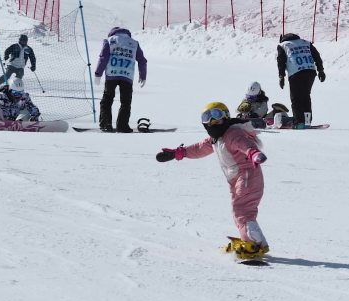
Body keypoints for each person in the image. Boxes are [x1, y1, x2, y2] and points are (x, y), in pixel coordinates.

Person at [156, 102, 270, 259]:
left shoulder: (232, 134)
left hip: (247, 175)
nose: (212, 122)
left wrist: (254, 154)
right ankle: (256, 242)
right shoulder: (217, 139)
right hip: (238, 178)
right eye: (207, 118)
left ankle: (253, 244)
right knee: (240, 211)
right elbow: (199, 149)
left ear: (225, 116)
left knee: (242, 211)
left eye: (216, 116)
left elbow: (245, 144)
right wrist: (178, 153)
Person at [94, 27, 147, 133]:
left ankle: (105, 124)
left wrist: (98, 73)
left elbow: (103, 58)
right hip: (127, 76)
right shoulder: (134, 43)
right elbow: (142, 61)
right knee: (126, 102)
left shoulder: (109, 41)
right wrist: (143, 76)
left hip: (111, 75)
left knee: (107, 99)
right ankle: (122, 126)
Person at [276, 33, 325, 129]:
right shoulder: (305, 42)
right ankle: (307, 121)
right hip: (310, 71)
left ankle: (299, 122)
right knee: (306, 96)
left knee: (296, 99)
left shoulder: (283, 45)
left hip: (296, 72)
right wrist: (321, 71)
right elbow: (317, 56)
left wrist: (281, 76)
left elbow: (281, 61)